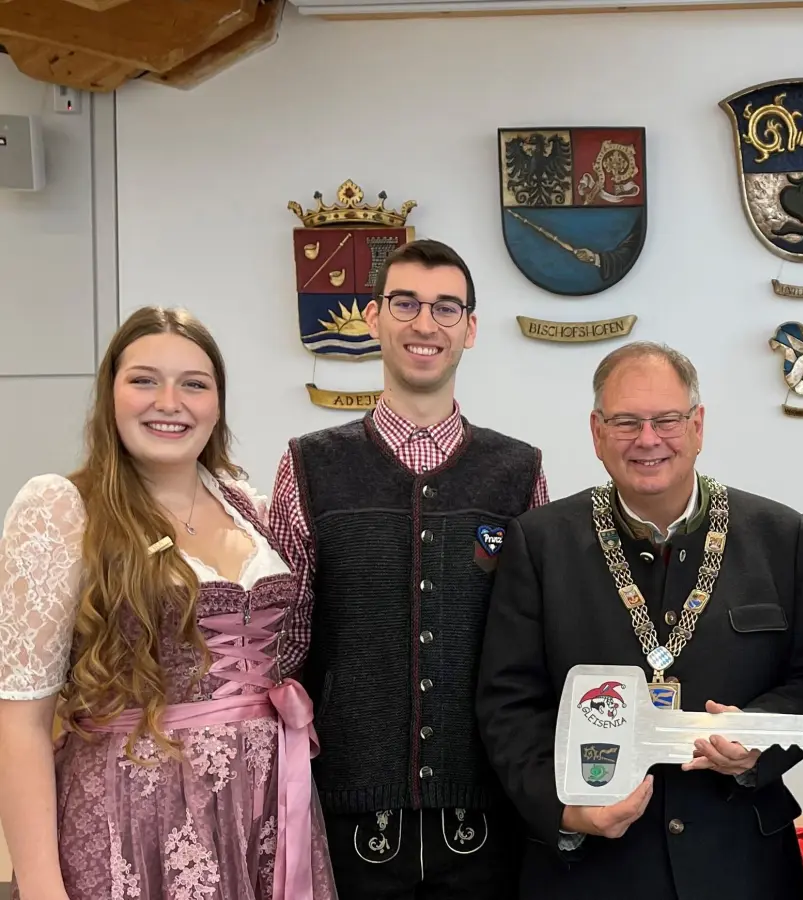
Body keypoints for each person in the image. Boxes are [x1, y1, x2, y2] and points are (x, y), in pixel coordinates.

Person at [0, 306, 338, 900]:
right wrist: (40, 888)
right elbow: (20, 723)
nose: (169, 401)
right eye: (144, 379)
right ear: (110, 394)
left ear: (217, 403)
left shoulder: (246, 505)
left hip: (265, 807)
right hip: (134, 816)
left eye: (194, 384)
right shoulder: (62, 508)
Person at [476, 340, 803, 900]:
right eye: (625, 421)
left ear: (697, 425)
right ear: (596, 431)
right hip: (592, 870)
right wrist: (566, 810)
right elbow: (508, 702)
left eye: (666, 419)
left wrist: (755, 742)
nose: (647, 439)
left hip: (742, 861)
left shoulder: (778, 536)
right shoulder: (541, 543)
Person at [268, 239, 548, 898]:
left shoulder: (519, 473)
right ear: (373, 318)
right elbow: (283, 641)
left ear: (471, 329)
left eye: (447, 308)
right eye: (406, 304)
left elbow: (536, 645)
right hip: (348, 815)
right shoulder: (308, 467)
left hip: (486, 817)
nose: (426, 324)